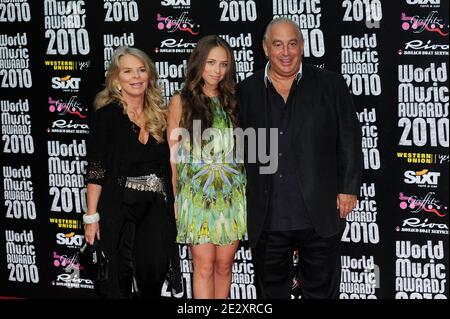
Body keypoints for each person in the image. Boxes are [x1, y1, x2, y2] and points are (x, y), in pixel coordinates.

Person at [237, 18, 362, 299]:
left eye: (292, 44)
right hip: (268, 216)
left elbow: (350, 138)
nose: (286, 52)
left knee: (321, 293)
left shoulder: (330, 84)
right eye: (278, 44)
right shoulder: (246, 91)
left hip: (320, 211)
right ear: (265, 48)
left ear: (302, 47)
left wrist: (349, 188)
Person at [84, 46, 181, 299]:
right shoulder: (106, 116)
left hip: (154, 208)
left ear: (149, 76)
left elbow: (169, 164)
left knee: (154, 272)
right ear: (116, 79)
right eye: (128, 71)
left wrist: (174, 203)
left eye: (141, 70)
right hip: (119, 206)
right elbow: (96, 168)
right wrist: (91, 217)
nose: (136, 77)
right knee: (118, 279)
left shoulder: (159, 115)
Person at [167, 35, 247, 299]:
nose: (217, 70)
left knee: (224, 266)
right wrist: (177, 197)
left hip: (232, 197)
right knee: (202, 267)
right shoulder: (181, 101)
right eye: (211, 62)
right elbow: (173, 155)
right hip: (196, 197)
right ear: (198, 62)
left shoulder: (234, 100)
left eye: (224, 64)